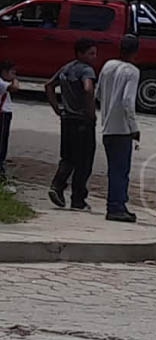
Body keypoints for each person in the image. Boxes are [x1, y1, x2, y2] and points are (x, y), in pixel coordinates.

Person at [45, 38, 98, 211]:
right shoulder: (86, 70)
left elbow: (49, 85)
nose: (94, 57)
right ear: (80, 53)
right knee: (84, 160)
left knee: (68, 157)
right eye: (91, 53)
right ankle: (78, 199)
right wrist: (91, 113)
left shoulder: (66, 68)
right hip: (82, 120)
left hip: (66, 118)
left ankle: (57, 185)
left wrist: (56, 108)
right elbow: (88, 89)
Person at [97, 35, 141, 223]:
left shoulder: (108, 66)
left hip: (107, 126)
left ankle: (116, 204)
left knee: (114, 169)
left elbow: (98, 93)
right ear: (136, 51)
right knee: (121, 170)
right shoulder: (132, 71)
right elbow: (127, 101)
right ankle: (116, 206)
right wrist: (134, 127)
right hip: (122, 129)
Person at [0, 60, 20, 192]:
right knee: (1, 146)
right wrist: (15, 79)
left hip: (5, 113)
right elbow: (15, 88)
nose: (14, 75)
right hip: (2, 114)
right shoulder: (2, 83)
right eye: (12, 72)